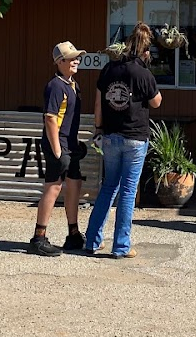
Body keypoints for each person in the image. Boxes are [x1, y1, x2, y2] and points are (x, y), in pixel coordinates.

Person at [85, 22, 163, 258]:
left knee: (108, 187)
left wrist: (99, 128)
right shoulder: (144, 73)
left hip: (110, 135)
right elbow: (156, 102)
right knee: (128, 191)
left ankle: (92, 241)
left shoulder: (109, 69)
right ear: (146, 52)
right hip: (135, 137)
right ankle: (121, 246)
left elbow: (98, 103)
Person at [27, 41, 87, 257]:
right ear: (60, 62)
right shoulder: (55, 86)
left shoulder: (73, 85)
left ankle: (73, 234)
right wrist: (57, 151)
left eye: (77, 57)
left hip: (70, 145)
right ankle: (38, 238)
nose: (76, 61)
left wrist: (75, 144)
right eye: (72, 58)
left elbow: (69, 118)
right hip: (58, 144)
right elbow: (50, 119)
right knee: (53, 187)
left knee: (75, 184)